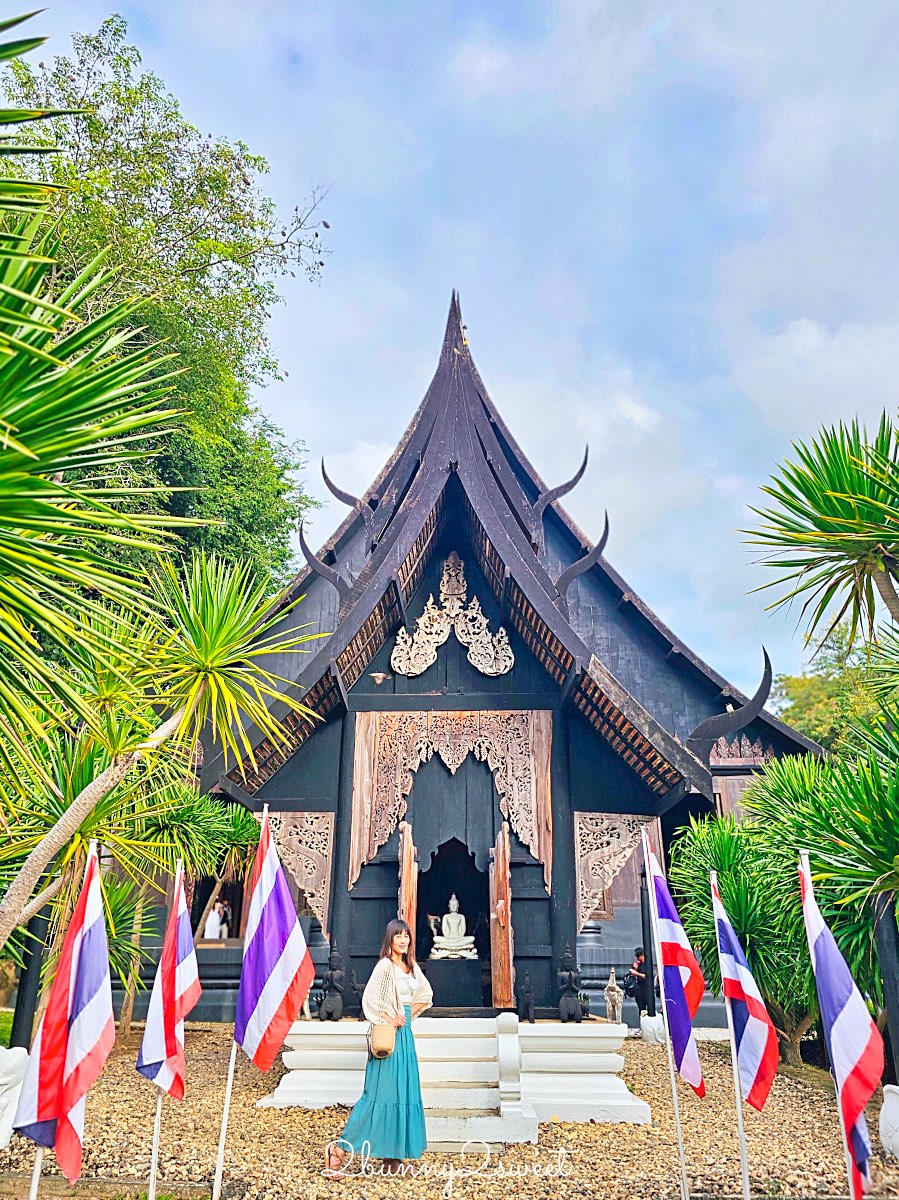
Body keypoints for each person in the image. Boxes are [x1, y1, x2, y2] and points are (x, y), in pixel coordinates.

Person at [324, 919, 433, 1178]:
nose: (403, 941)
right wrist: (390, 1017)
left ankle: (392, 1159)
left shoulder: (411, 966)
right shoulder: (385, 966)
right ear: (390, 940)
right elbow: (370, 999)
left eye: (406, 936)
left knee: (402, 1093)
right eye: (398, 936)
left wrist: (407, 1014)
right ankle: (338, 1150)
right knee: (377, 1095)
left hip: (405, 1036)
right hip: (388, 1037)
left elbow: (426, 995)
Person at [631, 946, 650, 1014]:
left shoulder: (647, 964)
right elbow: (632, 975)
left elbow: (648, 977)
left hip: (647, 989)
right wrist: (635, 969)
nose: (637, 958)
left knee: (649, 1007)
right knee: (641, 1008)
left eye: (638, 956)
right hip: (639, 989)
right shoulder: (638, 964)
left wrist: (637, 973)